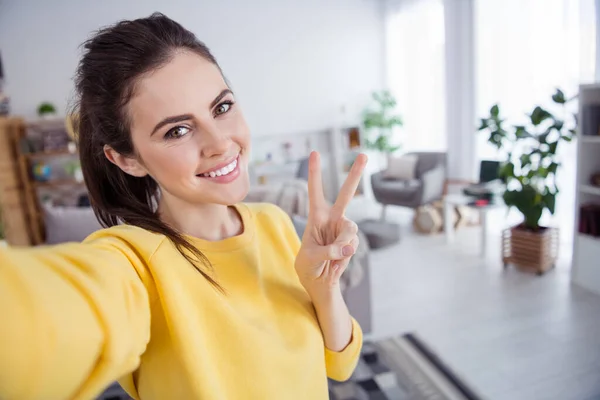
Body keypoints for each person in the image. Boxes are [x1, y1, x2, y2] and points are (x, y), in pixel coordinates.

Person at [0, 13, 367, 400]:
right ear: (128, 159)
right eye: (177, 130)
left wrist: (324, 288)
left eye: (221, 108)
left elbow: (340, 364)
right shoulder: (132, 263)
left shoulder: (274, 223)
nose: (220, 143)